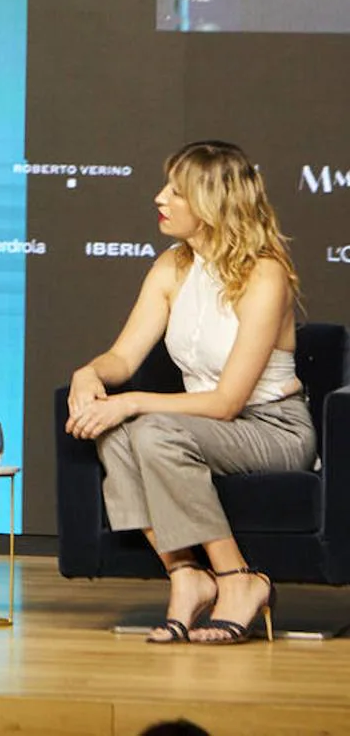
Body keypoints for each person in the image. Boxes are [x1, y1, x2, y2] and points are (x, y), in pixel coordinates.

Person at [66, 140, 315, 644]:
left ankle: (238, 579)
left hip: (273, 428)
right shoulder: (171, 266)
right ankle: (185, 575)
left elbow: (228, 403)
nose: (159, 198)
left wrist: (133, 401)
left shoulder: (265, 274)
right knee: (112, 432)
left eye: (176, 192)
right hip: (204, 428)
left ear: (213, 203)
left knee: (149, 429)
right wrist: (89, 374)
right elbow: (123, 358)